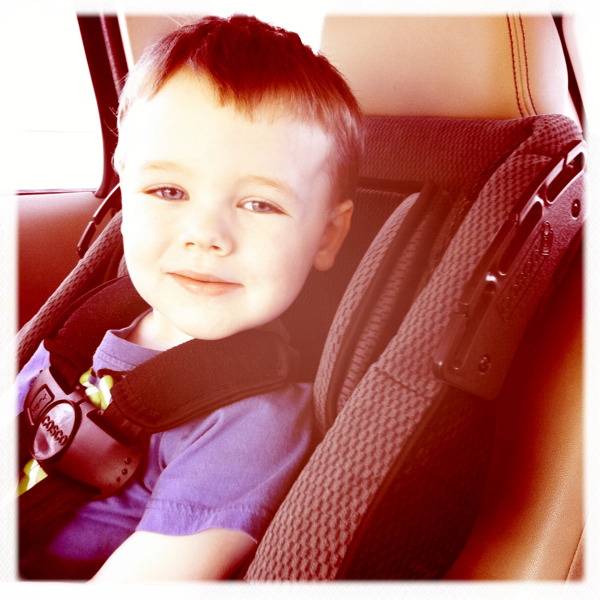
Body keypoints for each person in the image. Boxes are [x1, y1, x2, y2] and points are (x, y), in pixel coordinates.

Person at [15, 14, 363, 581]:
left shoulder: (253, 423)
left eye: (260, 204)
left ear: (327, 235)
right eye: (168, 190)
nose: (205, 235)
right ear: (124, 192)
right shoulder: (88, 326)